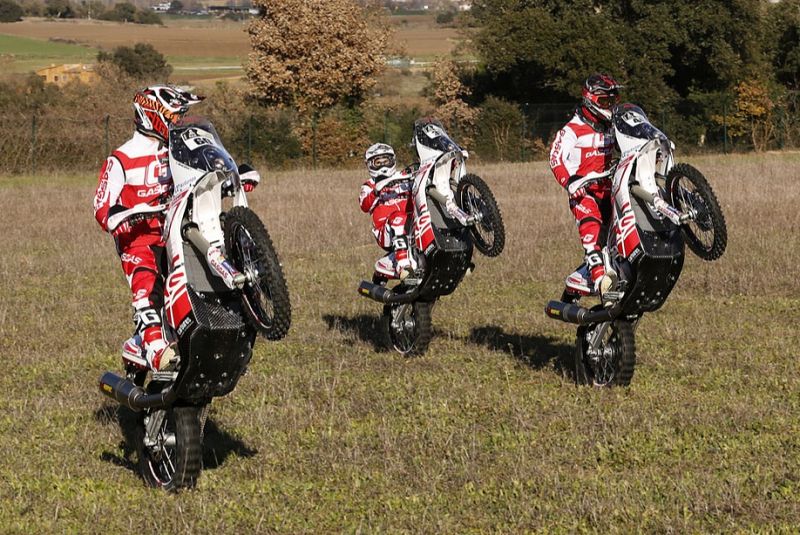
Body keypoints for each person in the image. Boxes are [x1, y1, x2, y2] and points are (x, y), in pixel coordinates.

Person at [92, 85, 260, 372]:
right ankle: (156, 349)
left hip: (177, 226)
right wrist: (125, 213)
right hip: (139, 237)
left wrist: (232, 175)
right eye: (171, 116)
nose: (176, 122)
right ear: (150, 116)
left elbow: (202, 174)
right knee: (147, 287)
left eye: (179, 116)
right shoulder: (121, 157)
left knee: (203, 278)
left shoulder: (177, 149)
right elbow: (101, 206)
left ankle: (225, 331)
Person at [549, 73, 620, 298]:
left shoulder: (612, 125)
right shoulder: (572, 129)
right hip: (584, 191)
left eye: (612, 101)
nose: (609, 106)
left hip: (610, 188)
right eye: (605, 102)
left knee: (614, 237)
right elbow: (555, 158)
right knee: (591, 231)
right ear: (590, 99)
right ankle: (600, 281)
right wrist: (570, 182)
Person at [359, 143, 416, 280]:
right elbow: (364, 205)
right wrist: (377, 191)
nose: (383, 166)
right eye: (378, 162)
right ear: (370, 164)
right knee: (398, 219)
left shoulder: (403, 176)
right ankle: (403, 266)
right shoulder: (369, 185)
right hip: (385, 231)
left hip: (412, 223)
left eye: (386, 161)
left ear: (393, 160)